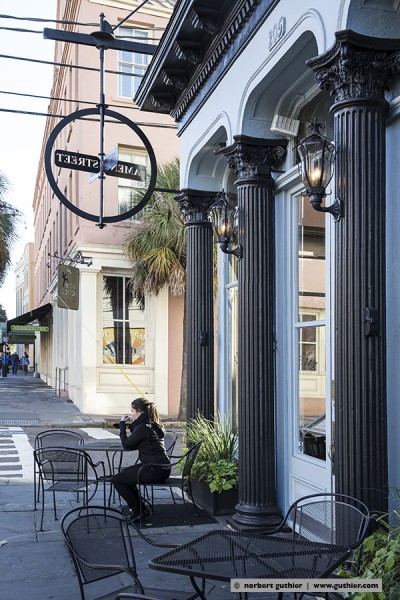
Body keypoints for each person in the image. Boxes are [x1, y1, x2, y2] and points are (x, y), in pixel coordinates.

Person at [112, 397, 171, 522]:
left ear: (139, 411)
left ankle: (138, 511)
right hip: (163, 469)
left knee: (117, 480)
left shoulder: (143, 427)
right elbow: (138, 440)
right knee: (124, 475)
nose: (132, 414)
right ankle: (140, 510)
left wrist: (122, 424)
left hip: (153, 470)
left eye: (132, 411)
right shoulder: (154, 424)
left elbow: (127, 445)